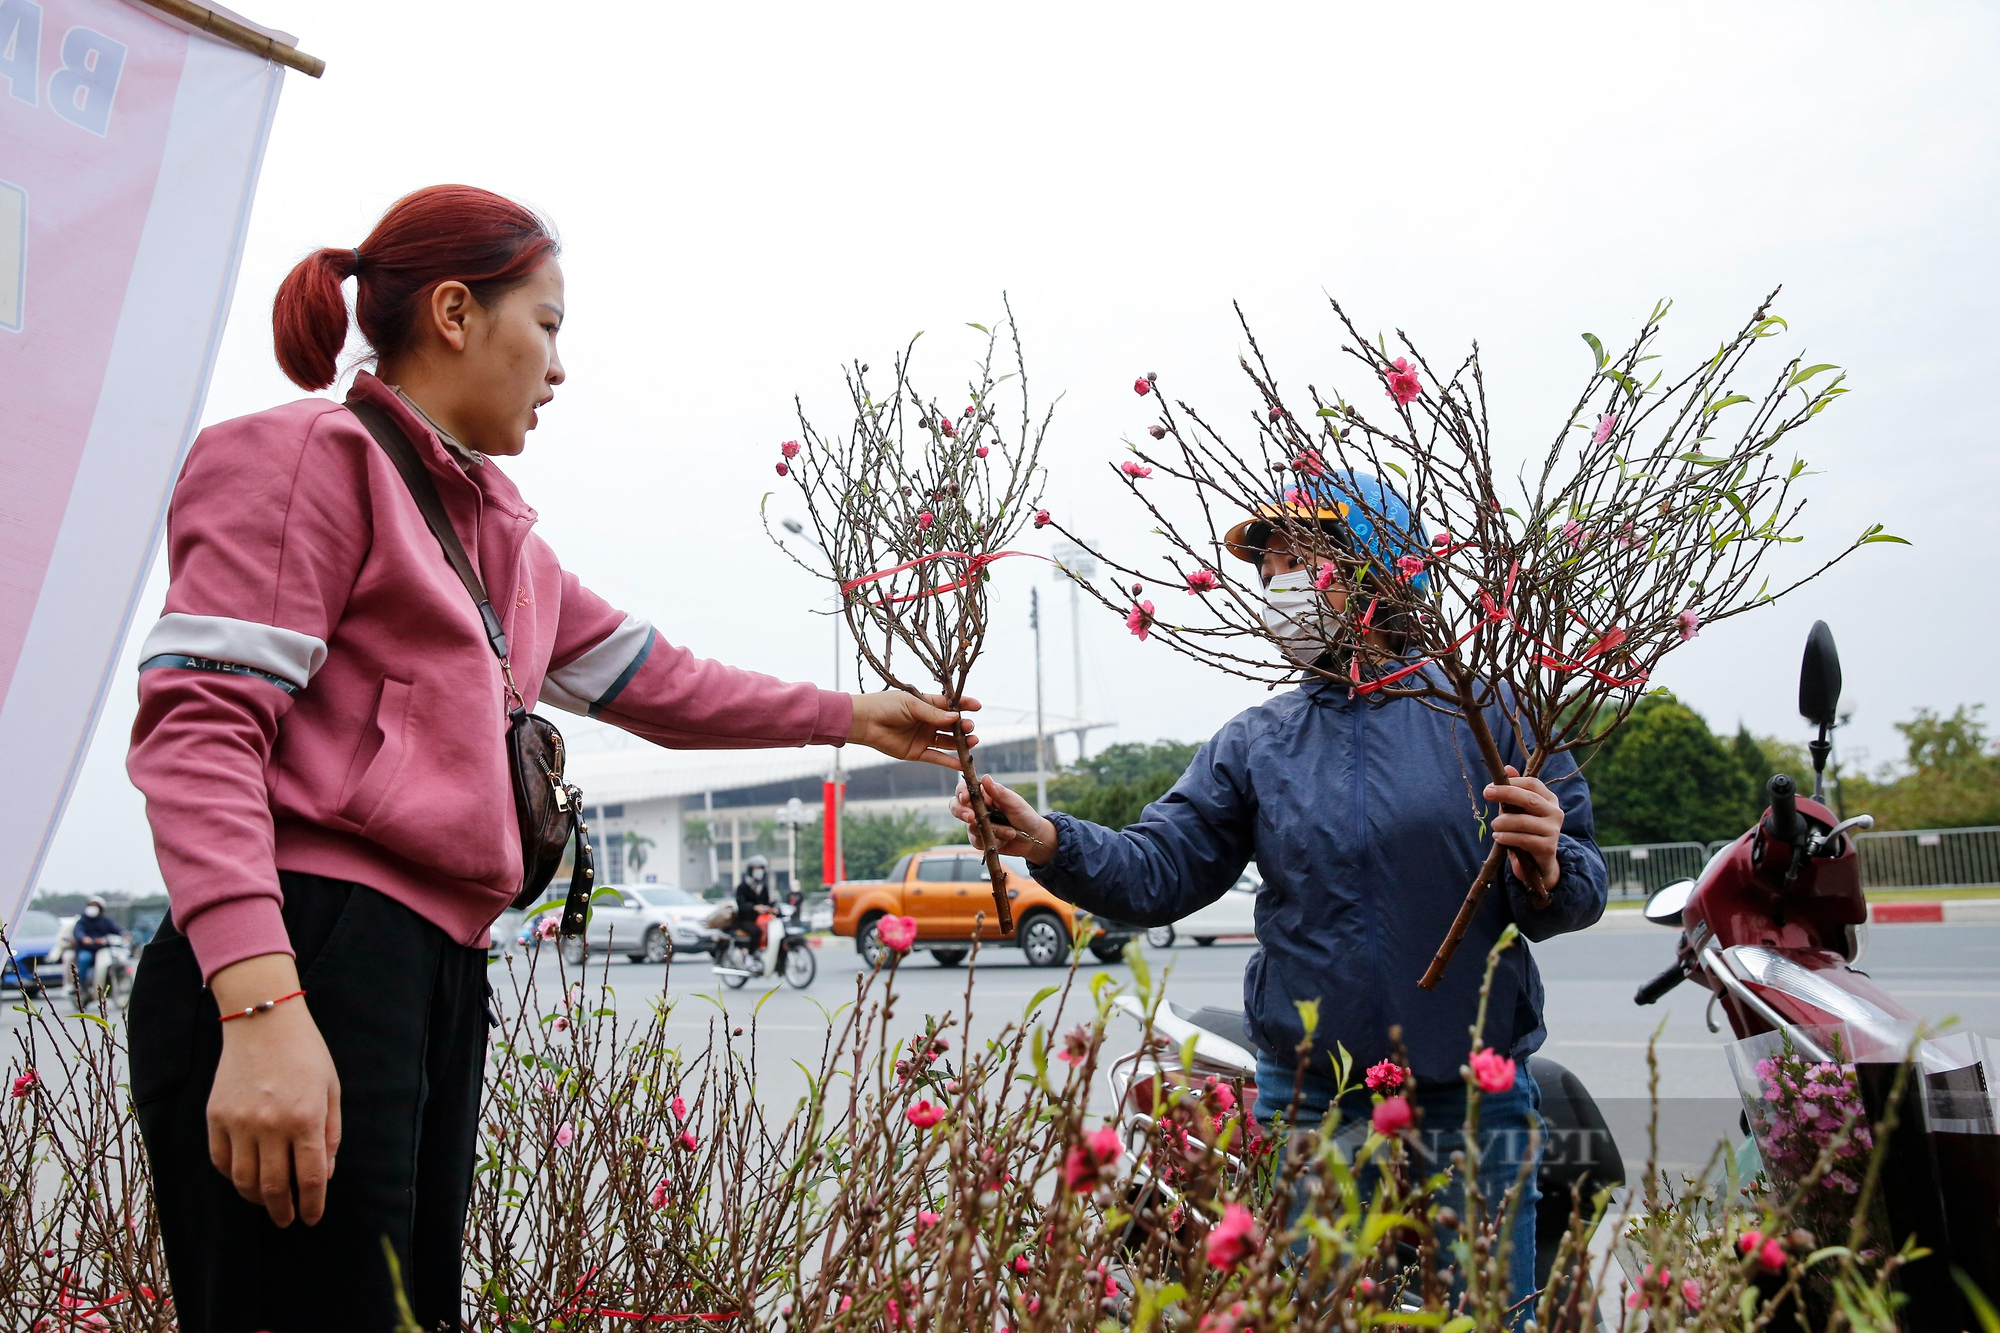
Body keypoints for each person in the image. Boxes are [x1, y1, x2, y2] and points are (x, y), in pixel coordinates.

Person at [123, 185, 978, 1333]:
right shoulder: (301, 460)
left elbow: (661, 682)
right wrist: (259, 1003)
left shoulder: (499, 538)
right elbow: (201, 731)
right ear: (454, 313)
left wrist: (848, 714)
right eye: (550, 324)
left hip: (432, 968)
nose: (560, 368)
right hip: (306, 955)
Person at [951, 471, 1607, 1315]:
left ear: (1377, 570)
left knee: (1488, 1311)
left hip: (1469, 1098)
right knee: (1320, 1309)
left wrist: (1548, 867)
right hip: (1317, 1103)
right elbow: (1159, 865)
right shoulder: (1259, 743)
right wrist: (1046, 839)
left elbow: (1577, 875)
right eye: (1269, 578)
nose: (1279, 593)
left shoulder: (1490, 717)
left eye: (1300, 567)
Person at [733, 854, 780, 974]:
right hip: (745, 920)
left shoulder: (763, 887)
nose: (759, 871)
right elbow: (741, 904)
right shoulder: (742, 887)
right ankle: (750, 957)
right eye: (756, 868)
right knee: (757, 931)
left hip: (761, 919)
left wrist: (771, 907)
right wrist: (754, 907)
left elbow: (766, 902)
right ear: (750, 870)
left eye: (761, 868)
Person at [69, 896, 123, 997]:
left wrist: (125, 935)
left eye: (95, 906)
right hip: (87, 949)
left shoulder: (106, 921)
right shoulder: (82, 921)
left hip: (102, 950)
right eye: (91, 906)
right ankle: (83, 987)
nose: (92, 908)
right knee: (84, 959)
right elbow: (78, 932)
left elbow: (118, 931)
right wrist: (84, 938)